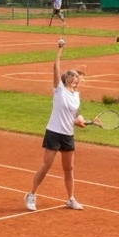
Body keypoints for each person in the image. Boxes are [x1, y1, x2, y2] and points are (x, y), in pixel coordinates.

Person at [23, 39, 86, 212]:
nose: (77, 79)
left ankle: (71, 199)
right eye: (74, 76)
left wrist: (79, 121)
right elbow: (55, 67)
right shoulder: (59, 89)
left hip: (67, 135)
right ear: (68, 78)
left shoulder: (76, 96)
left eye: (78, 77)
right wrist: (60, 49)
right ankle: (31, 194)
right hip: (54, 132)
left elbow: (73, 115)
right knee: (46, 165)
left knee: (69, 168)